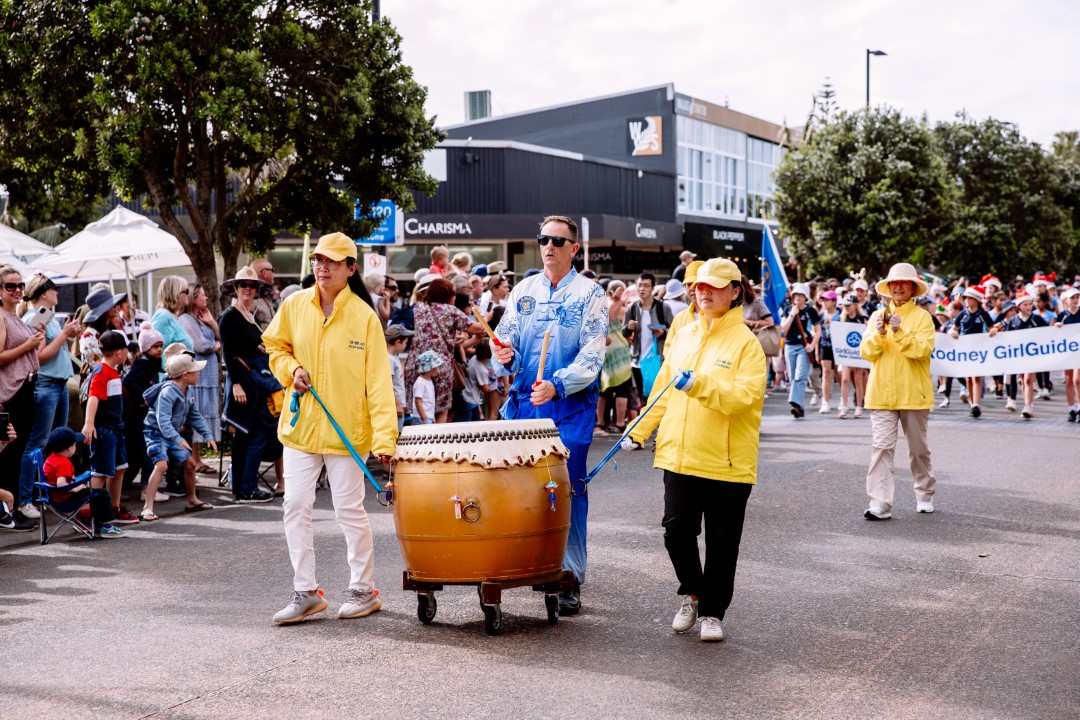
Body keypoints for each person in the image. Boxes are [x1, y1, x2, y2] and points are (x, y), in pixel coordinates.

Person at [624, 258, 766, 643]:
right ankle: (693, 592)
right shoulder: (683, 334)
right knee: (676, 532)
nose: (704, 292)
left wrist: (700, 385)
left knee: (722, 543)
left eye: (715, 286)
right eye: (700, 286)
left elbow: (744, 398)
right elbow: (662, 391)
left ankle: (713, 612)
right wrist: (639, 430)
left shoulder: (747, 344)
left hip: (727, 462)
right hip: (679, 455)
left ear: (735, 291)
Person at [263, 232, 398, 624]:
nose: (322, 267)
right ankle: (305, 591)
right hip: (301, 426)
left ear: (350, 269)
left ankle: (363, 590)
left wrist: (385, 439)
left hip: (347, 432)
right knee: (294, 505)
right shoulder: (293, 305)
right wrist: (291, 370)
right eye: (318, 260)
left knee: (348, 510)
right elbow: (275, 348)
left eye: (332, 262)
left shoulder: (365, 317)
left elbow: (379, 384)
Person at [492, 215, 608, 615]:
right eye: (544, 239)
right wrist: (504, 353)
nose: (549, 246)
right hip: (526, 402)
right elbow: (506, 340)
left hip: (570, 405)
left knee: (567, 485)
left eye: (558, 241)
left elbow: (593, 352)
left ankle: (569, 574)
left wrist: (558, 384)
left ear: (573, 248)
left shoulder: (590, 293)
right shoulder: (523, 290)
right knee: (521, 487)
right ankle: (530, 561)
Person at [859, 263, 937, 520]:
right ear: (888, 287)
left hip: (914, 394)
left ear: (913, 287)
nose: (898, 287)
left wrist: (899, 331)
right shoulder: (876, 316)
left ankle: (924, 493)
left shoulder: (923, 317)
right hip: (881, 393)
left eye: (904, 283)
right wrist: (880, 334)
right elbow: (866, 352)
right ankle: (879, 502)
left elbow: (923, 350)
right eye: (894, 283)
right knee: (881, 447)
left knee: (918, 449)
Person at [17, 275, 82, 520]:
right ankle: (25, 500)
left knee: (54, 443)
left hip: (59, 384)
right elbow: (39, 357)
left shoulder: (46, 315)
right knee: (39, 443)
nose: (58, 293)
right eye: (54, 289)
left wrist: (68, 334)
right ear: (43, 292)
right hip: (47, 385)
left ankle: (46, 494)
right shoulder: (37, 317)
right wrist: (65, 335)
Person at [219, 266, 281, 504]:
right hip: (242, 384)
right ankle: (244, 489)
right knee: (247, 436)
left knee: (255, 436)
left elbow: (247, 347)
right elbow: (228, 352)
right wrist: (235, 384)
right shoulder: (229, 316)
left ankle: (246, 486)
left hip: (254, 384)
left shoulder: (249, 316)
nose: (247, 288)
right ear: (235, 288)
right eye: (243, 285)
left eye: (252, 285)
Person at [140, 349, 217, 520]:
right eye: (195, 371)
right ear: (185, 375)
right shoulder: (168, 392)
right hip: (156, 433)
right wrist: (177, 438)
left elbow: (194, 415)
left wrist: (208, 434)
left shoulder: (188, 390)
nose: (199, 374)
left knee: (190, 464)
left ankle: (192, 500)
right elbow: (162, 422)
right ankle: (147, 507)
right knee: (162, 466)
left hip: (172, 433)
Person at [402, 276, 484, 424]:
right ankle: (436, 438)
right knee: (440, 410)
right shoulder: (451, 311)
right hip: (439, 368)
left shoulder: (419, 307)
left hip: (416, 365)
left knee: (417, 409)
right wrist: (486, 317)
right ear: (448, 295)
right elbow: (477, 328)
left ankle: (418, 438)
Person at [0, 265, 44, 529]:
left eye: (20, 285)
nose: (17, 290)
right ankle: (7, 511)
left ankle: (12, 508)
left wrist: (36, 341)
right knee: (10, 452)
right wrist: (28, 345)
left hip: (26, 387)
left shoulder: (16, 316)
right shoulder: (2, 317)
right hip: (11, 391)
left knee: (18, 451)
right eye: (10, 286)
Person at [82, 330, 139, 524]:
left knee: (119, 468)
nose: (128, 353)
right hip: (104, 430)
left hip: (116, 428)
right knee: (100, 472)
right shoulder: (101, 372)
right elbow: (93, 398)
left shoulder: (113, 371)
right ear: (119, 352)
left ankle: (114, 507)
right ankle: (87, 511)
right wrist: (89, 423)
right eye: (126, 350)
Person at [42, 426, 126, 538]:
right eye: (75, 445)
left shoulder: (50, 459)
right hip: (65, 498)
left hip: (54, 497)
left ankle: (97, 524)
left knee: (95, 493)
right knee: (102, 493)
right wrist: (75, 489)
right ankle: (107, 527)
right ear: (68, 448)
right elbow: (61, 484)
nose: (76, 447)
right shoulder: (64, 463)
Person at [177, 284, 222, 474]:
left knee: (203, 414)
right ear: (194, 298)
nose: (206, 298)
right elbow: (200, 344)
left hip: (209, 375)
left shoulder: (203, 319)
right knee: (196, 414)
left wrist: (212, 323)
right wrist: (216, 345)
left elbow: (220, 338)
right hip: (198, 375)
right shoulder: (186, 319)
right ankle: (193, 459)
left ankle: (198, 458)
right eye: (203, 295)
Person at [122, 323, 165, 501]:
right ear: (146, 348)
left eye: (161, 346)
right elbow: (129, 381)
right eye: (155, 347)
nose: (159, 350)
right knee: (147, 449)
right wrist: (143, 397)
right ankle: (147, 489)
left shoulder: (152, 363)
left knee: (141, 452)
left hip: (145, 412)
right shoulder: (144, 364)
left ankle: (141, 486)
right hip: (141, 415)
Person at [948, 286, 998, 418]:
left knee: (977, 376)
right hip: (965, 350)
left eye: (970, 298)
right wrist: (953, 333)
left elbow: (991, 328)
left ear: (977, 300)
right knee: (969, 377)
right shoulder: (962, 314)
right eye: (966, 298)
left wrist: (993, 331)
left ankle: (976, 403)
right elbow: (953, 328)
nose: (967, 300)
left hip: (978, 350)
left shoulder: (983, 314)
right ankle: (972, 403)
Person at [624, 272, 671, 405]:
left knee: (657, 399)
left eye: (646, 286)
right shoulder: (632, 308)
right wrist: (628, 328)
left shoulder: (663, 308)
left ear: (653, 288)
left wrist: (663, 333)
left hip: (657, 360)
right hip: (637, 361)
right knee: (641, 399)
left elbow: (674, 331)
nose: (642, 289)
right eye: (639, 285)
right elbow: (624, 332)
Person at [1000, 291, 1047, 419]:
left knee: (1028, 379)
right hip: (1019, 355)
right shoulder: (1013, 321)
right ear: (1019, 306)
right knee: (1023, 379)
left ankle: (1028, 406)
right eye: (1025, 304)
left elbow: (1048, 332)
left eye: (1030, 304)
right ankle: (1028, 404)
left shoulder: (1037, 319)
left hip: (1033, 355)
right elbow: (1007, 338)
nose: (1028, 307)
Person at [778, 283, 820, 418]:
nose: (798, 297)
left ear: (806, 297)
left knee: (800, 376)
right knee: (792, 377)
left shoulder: (811, 311)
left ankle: (794, 402)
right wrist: (792, 314)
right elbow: (783, 330)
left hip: (804, 346)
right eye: (796, 295)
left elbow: (818, 331)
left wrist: (812, 345)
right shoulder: (787, 309)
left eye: (801, 295)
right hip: (790, 346)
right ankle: (799, 407)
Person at [1054, 288, 1080, 422]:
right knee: (1069, 379)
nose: (1075, 300)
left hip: (1079, 351)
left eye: (1077, 297)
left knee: (1077, 379)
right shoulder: (1063, 315)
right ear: (1066, 300)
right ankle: (1071, 408)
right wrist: (1058, 327)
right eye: (1072, 298)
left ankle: (1079, 407)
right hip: (1068, 351)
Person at [151, 276, 195, 352]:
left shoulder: (171, 316)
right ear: (176, 293)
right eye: (186, 291)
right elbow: (155, 351)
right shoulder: (163, 317)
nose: (188, 295)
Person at [385, 324, 414, 430]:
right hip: (394, 407)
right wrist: (397, 404)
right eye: (405, 342)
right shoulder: (389, 360)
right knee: (396, 434)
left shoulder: (394, 357)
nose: (406, 345)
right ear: (398, 342)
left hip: (398, 406)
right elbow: (388, 384)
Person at [249, 258, 280, 330]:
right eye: (272, 270)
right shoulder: (247, 296)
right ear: (264, 273)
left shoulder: (264, 293)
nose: (274, 274)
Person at [412, 350, 441, 424]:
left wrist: (432, 416)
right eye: (437, 367)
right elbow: (418, 401)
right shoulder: (420, 383)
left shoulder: (429, 381)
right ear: (431, 368)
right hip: (421, 417)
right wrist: (424, 416)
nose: (439, 370)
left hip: (428, 416)